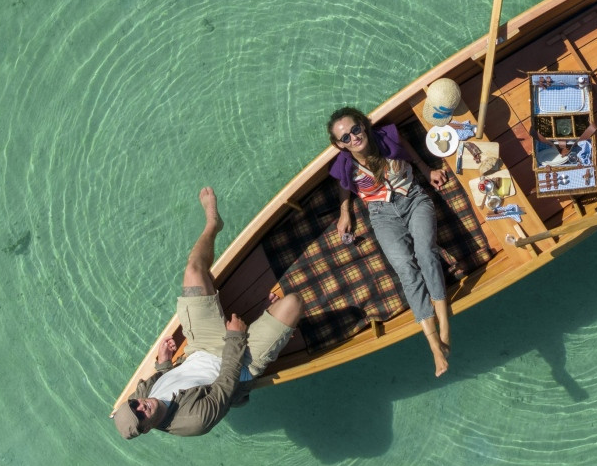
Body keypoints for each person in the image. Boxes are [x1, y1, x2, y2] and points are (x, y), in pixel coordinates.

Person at [113, 187, 303, 439]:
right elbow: (226, 382)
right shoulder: (194, 422)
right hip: (239, 365)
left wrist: (163, 363)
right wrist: (235, 338)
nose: (140, 406)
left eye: (134, 405)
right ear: (146, 429)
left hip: (199, 347)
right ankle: (263, 316)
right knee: (293, 303)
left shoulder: (141, 397)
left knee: (193, 271)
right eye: (140, 416)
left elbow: (162, 379)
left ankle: (213, 223)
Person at [327, 107, 452, 377]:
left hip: (414, 198)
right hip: (381, 215)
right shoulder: (344, 163)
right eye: (345, 138)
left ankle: (444, 328)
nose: (353, 138)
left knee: (425, 253)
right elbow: (343, 184)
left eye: (355, 129)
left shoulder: (386, 137)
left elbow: (406, 145)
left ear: (363, 125)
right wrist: (345, 211)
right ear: (339, 144)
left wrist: (426, 169)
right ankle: (433, 344)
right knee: (406, 269)